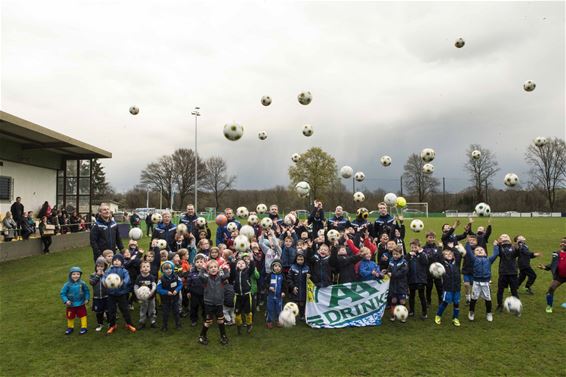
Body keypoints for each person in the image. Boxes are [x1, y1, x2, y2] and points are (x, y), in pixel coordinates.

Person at [198, 259, 230, 345]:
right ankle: (202, 336)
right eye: (211, 267)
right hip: (209, 303)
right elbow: (200, 275)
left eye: (215, 267)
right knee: (209, 321)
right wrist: (203, 267)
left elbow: (226, 275)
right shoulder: (206, 278)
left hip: (219, 303)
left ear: (218, 268)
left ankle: (223, 336)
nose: (213, 269)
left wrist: (225, 267)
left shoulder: (221, 277)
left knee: (220, 320)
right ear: (208, 270)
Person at [103, 254, 136, 334]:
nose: (116, 261)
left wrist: (123, 282)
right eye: (115, 260)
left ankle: (129, 324)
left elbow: (127, 279)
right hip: (111, 294)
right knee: (111, 310)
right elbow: (104, 277)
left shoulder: (124, 271)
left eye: (118, 260)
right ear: (112, 262)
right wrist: (104, 282)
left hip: (122, 293)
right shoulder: (109, 270)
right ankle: (112, 325)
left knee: (125, 309)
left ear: (122, 262)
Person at [466, 245, 497, 322]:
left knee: (488, 298)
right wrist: (468, 243)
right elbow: (469, 252)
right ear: (474, 254)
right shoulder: (474, 259)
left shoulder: (489, 260)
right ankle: (471, 312)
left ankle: (489, 313)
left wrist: (496, 245)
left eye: (481, 250)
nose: (479, 250)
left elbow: (496, 254)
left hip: (486, 282)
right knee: (474, 298)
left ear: (485, 253)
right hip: (476, 282)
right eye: (477, 250)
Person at [435, 248, 463, 327]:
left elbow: (458, 255)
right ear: (443, 256)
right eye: (446, 254)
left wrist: (452, 248)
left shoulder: (456, 263)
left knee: (456, 303)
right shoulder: (443, 264)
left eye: (450, 254)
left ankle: (455, 318)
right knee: (445, 302)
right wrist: (440, 248)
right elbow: (438, 256)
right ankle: (438, 315)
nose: (449, 255)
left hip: (457, 287)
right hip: (448, 288)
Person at [492, 234, 520, 312]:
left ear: (510, 239)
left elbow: (517, 253)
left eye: (506, 236)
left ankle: (517, 306)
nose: (504, 238)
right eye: (502, 237)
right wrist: (497, 244)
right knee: (500, 290)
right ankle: (499, 305)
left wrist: (518, 248)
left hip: (513, 272)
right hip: (503, 272)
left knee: (514, 290)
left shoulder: (513, 247)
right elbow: (497, 253)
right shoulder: (500, 247)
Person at [538, 237, 566, 314]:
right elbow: (554, 264)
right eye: (562, 242)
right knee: (551, 289)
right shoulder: (557, 253)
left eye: (565, 242)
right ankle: (549, 306)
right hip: (560, 276)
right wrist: (545, 267)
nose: (563, 243)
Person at [60, 266, 90, 335]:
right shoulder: (67, 285)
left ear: (80, 275)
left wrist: (87, 298)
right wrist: (66, 301)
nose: (76, 276)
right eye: (73, 274)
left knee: (83, 315)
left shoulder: (82, 283)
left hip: (81, 303)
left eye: (78, 274)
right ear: (70, 275)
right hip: (71, 304)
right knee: (70, 316)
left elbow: (86, 291)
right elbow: (63, 293)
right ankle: (70, 327)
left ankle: (84, 327)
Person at [156, 260, 183, 331]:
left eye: (170, 269)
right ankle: (164, 326)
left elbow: (180, 284)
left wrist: (177, 290)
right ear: (163, 270)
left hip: (175, 298)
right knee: (165, 313)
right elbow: (158, 289)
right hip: (165, 299)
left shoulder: (176, 277)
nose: (169, 270)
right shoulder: (161, 279)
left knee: (176, 312)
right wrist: (166, 292)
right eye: (166, 269)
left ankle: (178, 324)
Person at [233, 257, 256, 335]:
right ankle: (238, 327)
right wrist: (233, 259)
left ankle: (249, 325)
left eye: (243, 263)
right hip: (238, 296)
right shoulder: (235, 272)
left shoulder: (247, 271)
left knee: (248, 312)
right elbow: (232, 266)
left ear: (246, 265)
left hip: (247, 295)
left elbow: (252, 267)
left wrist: (251, 259)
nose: (241, 264)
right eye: (239, 263)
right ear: (236, 265)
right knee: (237, 314)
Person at [406, 239, 428, 319]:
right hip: (411, 279)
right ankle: (411, 311)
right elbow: (405, 262)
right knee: (411, 296)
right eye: (412, 247)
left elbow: (425, 262)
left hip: (420, 279)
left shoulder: (422, 255)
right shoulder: (409, 256)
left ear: (419, 247)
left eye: (415, 247)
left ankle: (424, 312)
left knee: (422, 296)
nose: (413, 249)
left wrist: (420, 253)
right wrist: (408, 255)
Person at [387, 246, 409, 322]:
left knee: (402, 301)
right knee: (393, 300)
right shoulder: (391, 261)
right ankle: (393, 315)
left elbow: (403, 272)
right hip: (393, 285)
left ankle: (403, 316)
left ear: (401, 254)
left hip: (401, 285)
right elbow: (389, 269)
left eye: (397, 254)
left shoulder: (404, 262)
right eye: (394, 254)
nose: (395, 256)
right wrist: (387, 272)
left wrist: (392, 274)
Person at [134, 261, 157, 330]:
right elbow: (135, 287)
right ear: (140, 269)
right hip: (143, 298)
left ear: (150, 268)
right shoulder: (139, 277)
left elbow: (154, 285)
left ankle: (153, 321)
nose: (146, 268)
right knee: (143, 310)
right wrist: (138, 295)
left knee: (152, 310)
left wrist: (151, 293)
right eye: (143, 267)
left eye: (147, 266)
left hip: (151, 297)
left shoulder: (151, 277)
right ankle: (142, 322)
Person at [287, 253, 309, 320]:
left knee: (302, 303)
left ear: (304, 260)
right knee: (295, 303)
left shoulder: (307, 268)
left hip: (304, 289)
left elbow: (310, 279)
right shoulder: (293, 267)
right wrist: (293, 287)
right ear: (296, 260)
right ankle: (293, 316)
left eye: (301, 259)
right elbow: (289, 278)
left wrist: (309, 276)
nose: (300, 261)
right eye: (298, 259)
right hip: (295, 288)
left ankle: (302, 315)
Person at [423, 231, 443, 306]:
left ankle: (440, 301)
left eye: (433, 238)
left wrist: (440, 249)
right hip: (428, 271)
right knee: (429, 287)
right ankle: (428, 301)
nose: (431, 239)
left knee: (439, 287)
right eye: (430, 237)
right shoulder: (423, 248)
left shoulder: (437, 248)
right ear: (427, 238)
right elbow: (428, 259)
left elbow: (440, 258)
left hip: (437, 271)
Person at [89, 258, 109, 331]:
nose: (100, 268)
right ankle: (100, 324)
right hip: (97, 297)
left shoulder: (107, 274)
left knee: (108, 311)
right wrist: (97, 276)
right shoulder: (93, 275)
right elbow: (92, 283)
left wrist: (104, 276)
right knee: (98, 312)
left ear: (105, 267)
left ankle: (110, 324)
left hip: (106, 296)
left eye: (102, 266)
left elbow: (109, 283)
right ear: (96, 267)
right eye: (98, 266)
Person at [265, 259, 286, 328]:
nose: (277, 268)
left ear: (281, 268)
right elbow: (265, 283)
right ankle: (269, 321)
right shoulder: (270, 275)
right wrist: (269, 287)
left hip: (279, 296)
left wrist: (283, 292)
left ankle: (278, 320)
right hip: (270, 296)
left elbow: (284, 285)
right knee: (270, 308)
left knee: (279, 309)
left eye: (279, 266)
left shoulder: (282, 276)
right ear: (272, 267)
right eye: (275, 266)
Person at [187, 254, 206, 326]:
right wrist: (188, 291)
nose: (199, 263)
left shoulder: (206, 272)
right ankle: (194, 319)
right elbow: (188, 282)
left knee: (204, 307)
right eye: (197, 262)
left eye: (201, 262)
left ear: (204, 263)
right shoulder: (192, 272)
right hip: (194, 293)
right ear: (195, 263)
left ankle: (205, 319)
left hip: (204, 293)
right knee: (194, 307)